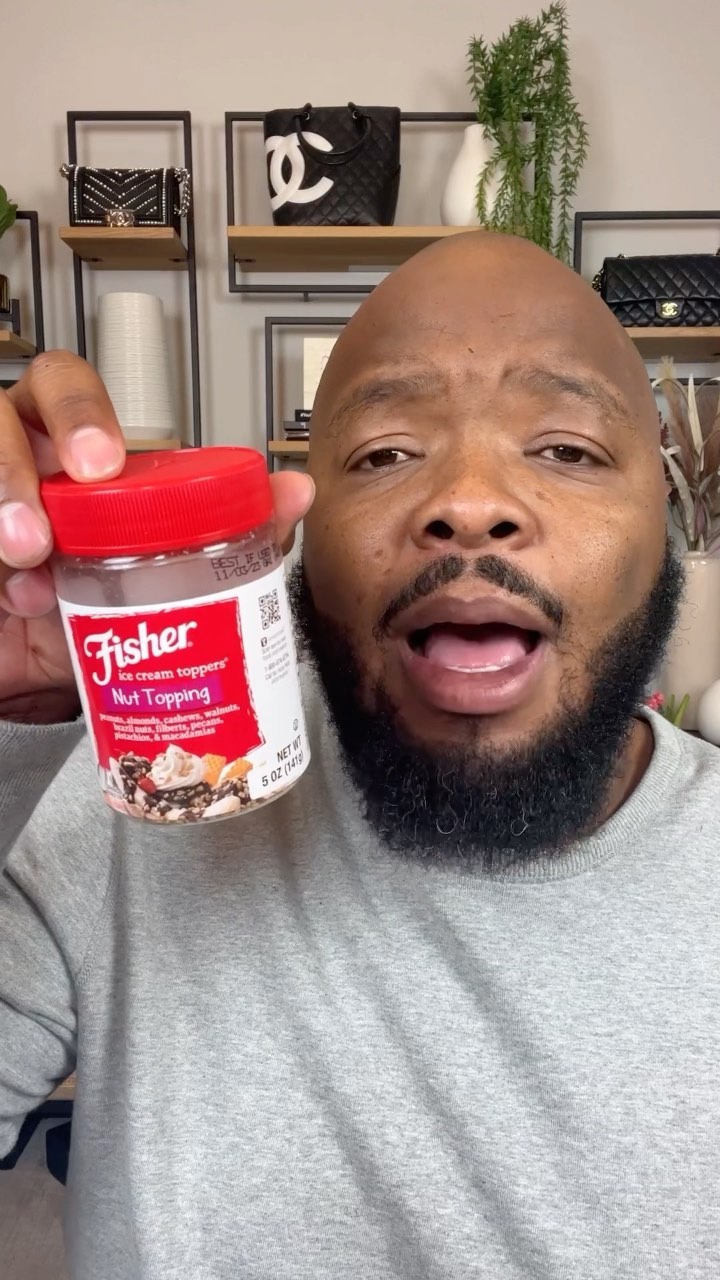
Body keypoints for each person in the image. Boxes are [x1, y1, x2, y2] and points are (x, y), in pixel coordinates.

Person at [1, 231, 718, 1280]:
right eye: (385, 452)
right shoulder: (151, 794)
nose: (469, 500)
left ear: (666, 524)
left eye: (566, 448)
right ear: (299, 533)